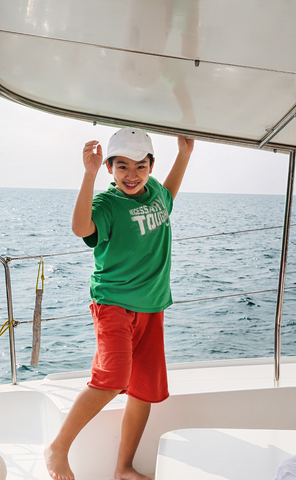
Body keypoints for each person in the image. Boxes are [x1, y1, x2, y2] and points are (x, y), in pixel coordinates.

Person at [44, 127, 194, 480]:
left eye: (140, 166)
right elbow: (80, 228)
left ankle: (124, 468)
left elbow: (169, 195)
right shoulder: (107, 204)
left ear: (151, 166)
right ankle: (57, 448)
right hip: (114, 305)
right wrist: (89, 174)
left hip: (152, 307)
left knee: (143, 390)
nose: (132, 174)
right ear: (110, 167)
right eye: (122, 166)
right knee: (112, 378)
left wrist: (184, 155)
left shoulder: (155, 192)